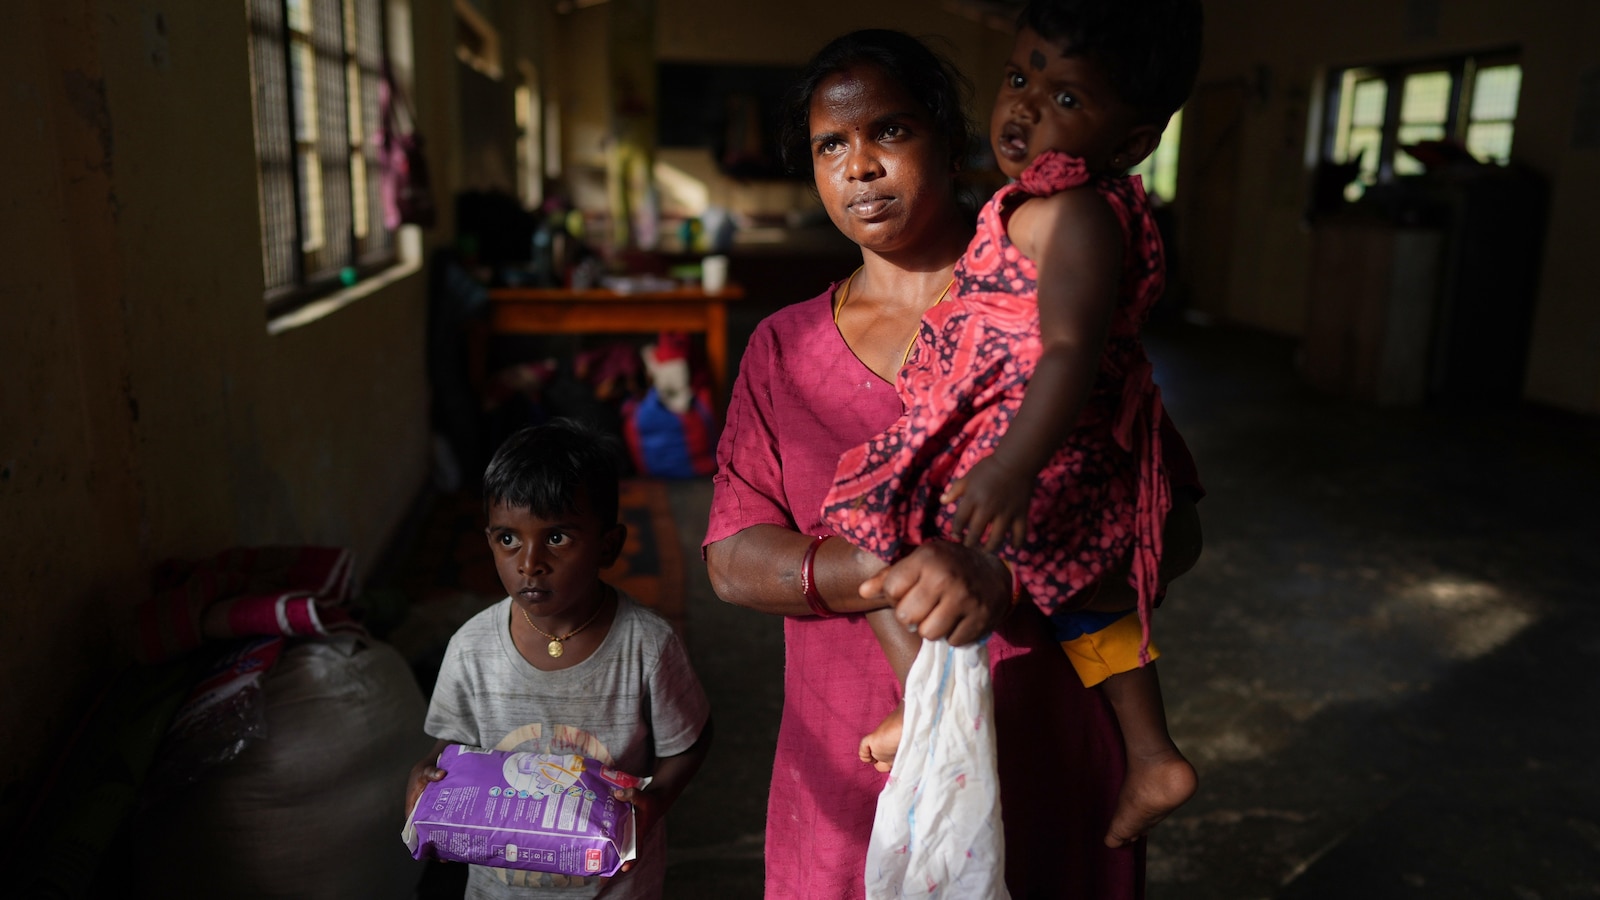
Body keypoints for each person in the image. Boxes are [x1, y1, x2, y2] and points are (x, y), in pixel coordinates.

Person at [704, 28, 1202, 899]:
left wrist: (1000, 577)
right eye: (831, 145)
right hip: (850, 765)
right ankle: (917, 704)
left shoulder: (1042, 295)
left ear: (945, 136)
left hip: (1049, 756)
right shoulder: (783, 351)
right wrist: (878, 571)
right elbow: (732, 556)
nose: (859, 167)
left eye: (889, 132)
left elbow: (1175, 527)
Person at [823, 0, 1205, 850]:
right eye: (1021, 76)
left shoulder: (1078, 215)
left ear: (1133, 141)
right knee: (1080, 596)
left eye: (1067, 98)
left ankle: (920, 698)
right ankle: (1151, 753)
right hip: (1045, 449)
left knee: (868, 508)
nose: (1025, 108)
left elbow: (1067, 350)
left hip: (1047, 448)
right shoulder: (1037, 202)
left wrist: (1014, 466)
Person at [406, 420, 713, 899]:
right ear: (489, 540)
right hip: (500, 888)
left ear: (607, 546)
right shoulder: (471, 647)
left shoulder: (647, 646)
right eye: (509, 539)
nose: (529, 562)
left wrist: (653, 802)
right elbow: (452, 743)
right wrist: (426, 771)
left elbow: (690, 741)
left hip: (613, 886)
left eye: (556, 538)